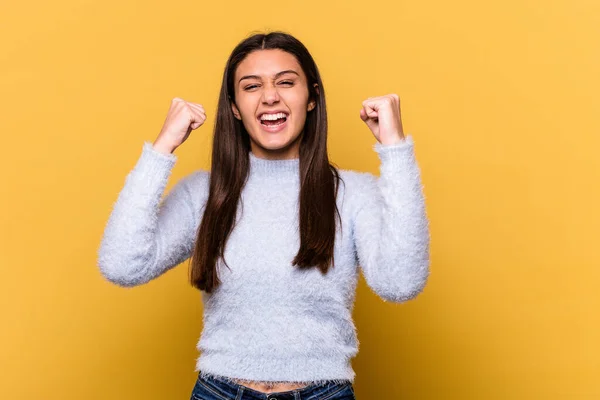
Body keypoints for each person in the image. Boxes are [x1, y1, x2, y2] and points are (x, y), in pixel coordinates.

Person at [97, 31, 430, 400]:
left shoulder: (353, 193)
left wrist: (395, 150)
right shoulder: (203, 194)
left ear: (312, 99)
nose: (270, 96)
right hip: (219, 391)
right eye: (251, 86)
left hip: (324, 392)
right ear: (235, 107)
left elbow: (401, 283)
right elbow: (122, 265)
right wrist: (162, 149)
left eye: (286, 82)